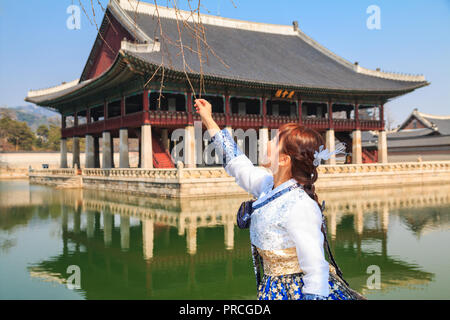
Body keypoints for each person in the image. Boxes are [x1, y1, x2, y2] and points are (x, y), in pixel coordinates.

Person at [195, 98, 359, 300]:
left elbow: (316, 269)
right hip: (271, 287)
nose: (267, 143)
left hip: (296, 291)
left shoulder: (300, 205)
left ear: (284, 159)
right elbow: (237, 164)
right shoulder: (266, 185)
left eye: (274, 141)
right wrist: (208, 120)